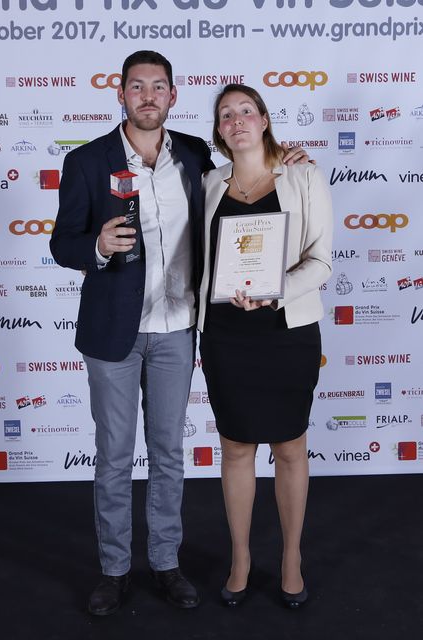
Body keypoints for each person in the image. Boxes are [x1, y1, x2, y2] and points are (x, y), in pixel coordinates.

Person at [50, 50, 308, 616]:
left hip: (177, 329)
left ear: (172, 95)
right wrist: (96, 246)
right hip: (112, 334)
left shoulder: (194, 154)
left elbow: (250, 164)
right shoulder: (87, 161)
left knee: (168, 453)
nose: (148, 96)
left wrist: (288, 156)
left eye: (158, 86)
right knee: (114, 457)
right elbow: (61, 243)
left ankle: (166, 563)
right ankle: (115, 570)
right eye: (137, 86)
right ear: (120, 93)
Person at [197, 84, 333, 609]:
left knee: (289, 446)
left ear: (264, 119)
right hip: (226, 335)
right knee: (235, 447)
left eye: (245, 111)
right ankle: (241, 559)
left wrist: (276, 293)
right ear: (219, 130)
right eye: (225, 115)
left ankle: (291, 558)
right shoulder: (209, 182)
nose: (236, 120)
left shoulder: (303, 175)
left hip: (286, 332)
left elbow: (320, 262)